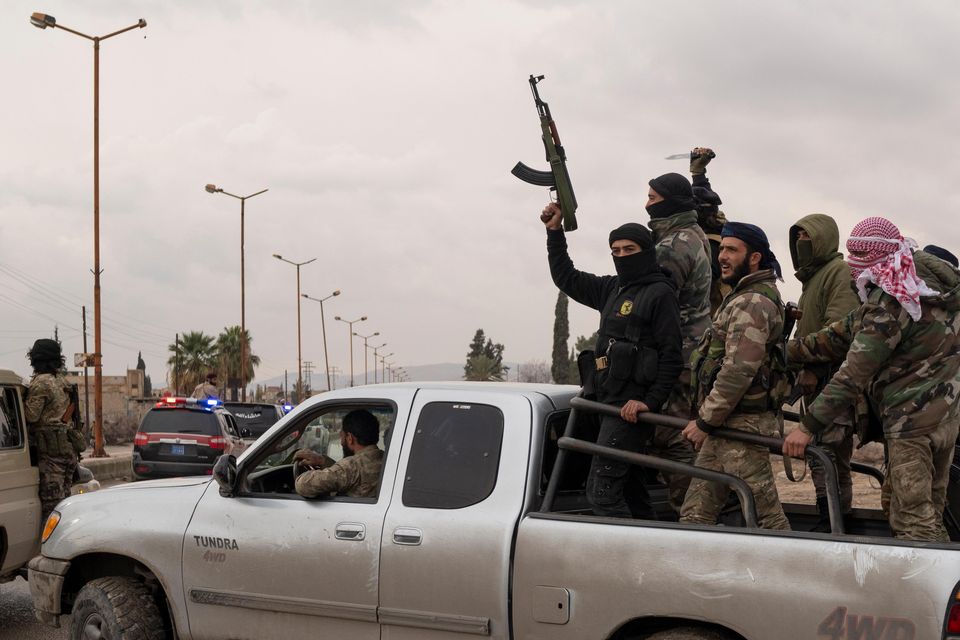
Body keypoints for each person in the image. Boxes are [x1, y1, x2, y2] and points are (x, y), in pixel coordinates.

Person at [784, 217, 960, 541]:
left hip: (913, 424)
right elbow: (843, 331)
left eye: (860, 258)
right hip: (945, 418)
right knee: (919, 509)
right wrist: (788, 350)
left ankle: (935, 589)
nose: (854, 268)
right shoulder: (927, 290)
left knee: (914, 524)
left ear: (878, 258)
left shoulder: (892, 302)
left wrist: (807, 427)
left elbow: (852, 375)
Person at [542, 201, 683, 519]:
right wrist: (554, 232)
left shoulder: (660, 294)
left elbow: (672, 356)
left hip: (628, 413)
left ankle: (623, 560)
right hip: (604, 402)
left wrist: (649, 402)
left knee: (602, 495)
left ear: (645, 251)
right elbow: (567, 278)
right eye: (615, 251)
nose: (622, 256)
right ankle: (647, 553)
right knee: (632, 492)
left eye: (629, 249)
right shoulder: (612, 288)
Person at [680, 222, 791, 530]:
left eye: (732, 250)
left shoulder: (752, 302)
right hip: (725, 426)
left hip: (741, 427)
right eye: (722, 249)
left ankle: (793, 573)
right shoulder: (742, 296)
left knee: (767, 520)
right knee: (694, 515)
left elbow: (738, 370)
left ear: (754, 257)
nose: (722, 257)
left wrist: (705, 421)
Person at [788, 214, 861, 526]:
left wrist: (814, 369)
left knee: (825, 454)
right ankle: (834, 520)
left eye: (807, 237)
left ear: (824, 239)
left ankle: (831, 523)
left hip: (831, 381)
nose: (801, 242)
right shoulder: (814, 277)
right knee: (828, 456)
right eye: (798, 236)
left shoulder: (838, 272)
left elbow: (837, 330)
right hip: (818, 382)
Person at [645, 171, 712, 510]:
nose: (646, 205)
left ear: (669, 202)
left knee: (672, 439)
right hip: (693, 354)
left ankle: (689, 514)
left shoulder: (672, 246)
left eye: (653, 199)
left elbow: (654, 304)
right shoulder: (694, 233)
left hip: (677, 356)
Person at [24, 339, 80, 522]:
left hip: (51, 456)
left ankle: (52, 549)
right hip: (67, 452)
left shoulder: (41, 383)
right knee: (64, 505)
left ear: (35, 359)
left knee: (52, 511)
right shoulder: (62, 381)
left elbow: (31, 416)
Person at [294, 409, 385, 498]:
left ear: (350, 438)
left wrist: (304, 476)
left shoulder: (352, 466)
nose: (341, 442)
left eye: (341, 435)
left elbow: (303, 485)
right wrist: (323, 461)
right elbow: (346, 476)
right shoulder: (385, 459)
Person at [688, 147, 730, 315]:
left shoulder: (711, 246)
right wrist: (698, 174)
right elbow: (703, 195)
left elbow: (698, 284)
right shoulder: (720, 233)